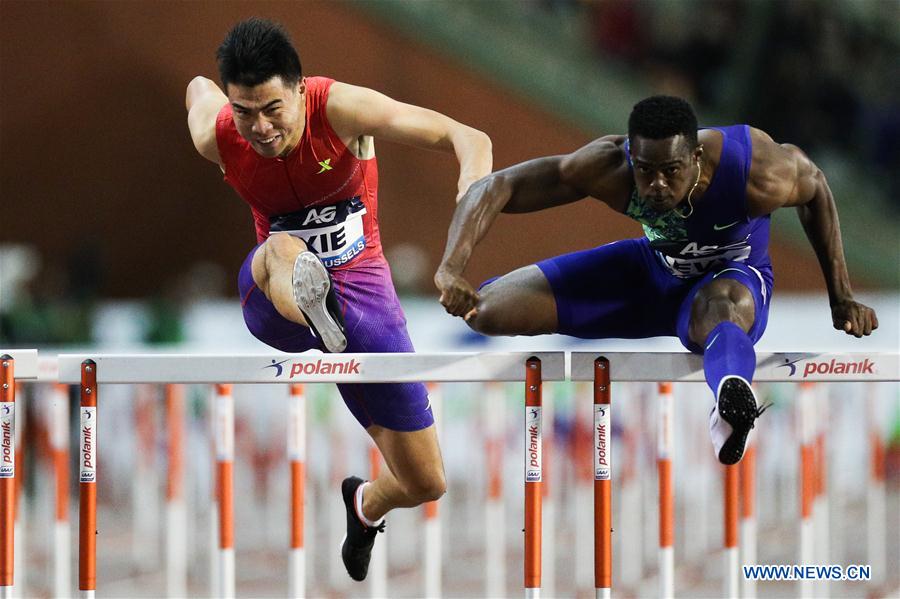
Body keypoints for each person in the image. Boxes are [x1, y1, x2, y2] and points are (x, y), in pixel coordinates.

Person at [185, 18, 492, 581]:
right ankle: (311, 304)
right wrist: (209, 94)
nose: (260, 127)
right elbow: (198, 93)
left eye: (272, 108)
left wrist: (470, 198)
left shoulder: (341, 108)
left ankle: (365, 505)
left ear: (301, 88)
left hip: (364, 292)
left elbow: (469, 137)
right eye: (244, 111)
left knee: (427, 481)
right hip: (272, 296)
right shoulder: (218, 133)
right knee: (283, 249)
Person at [435, 95, 877, 465]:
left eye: (672, 170)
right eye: (646, 170)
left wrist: (841, 297)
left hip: (730, 280)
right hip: (652, 271)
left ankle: (729, 402)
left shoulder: (754, 170)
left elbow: (815, 188)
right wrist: (452, 267)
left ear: (696, 158)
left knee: (721, 307)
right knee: (487, 310)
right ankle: (726, 390)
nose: (658, 185)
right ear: (630, 153)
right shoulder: (609, 166)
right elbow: (497, 186)